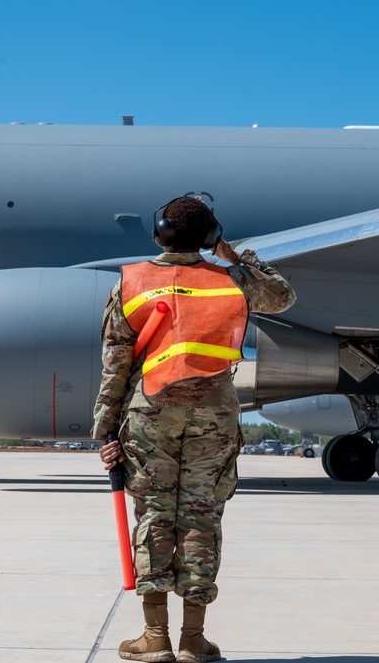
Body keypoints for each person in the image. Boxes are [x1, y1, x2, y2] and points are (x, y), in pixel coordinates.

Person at [92, 196, 296, 663]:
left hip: (150, 414)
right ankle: (193, 641)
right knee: (202, 517)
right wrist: (233, 254)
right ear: (210, 234)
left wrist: (106, 432)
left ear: (159, 231)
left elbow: (115, 366)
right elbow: (282, 296)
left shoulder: (131, 281)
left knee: (155, 515)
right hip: (215, 413)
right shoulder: (231, 280)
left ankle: (154, 638)